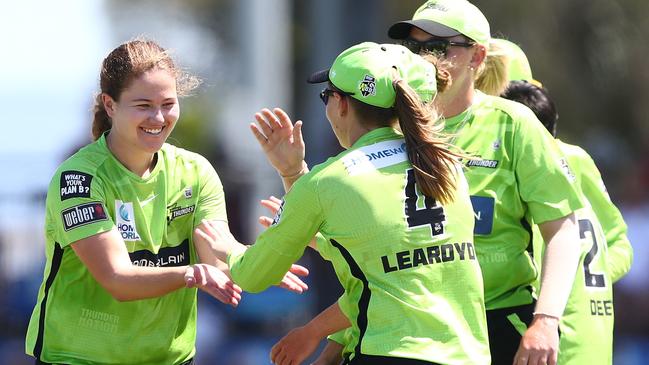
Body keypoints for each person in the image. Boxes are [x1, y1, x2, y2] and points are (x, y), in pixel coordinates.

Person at [195, 42, 491, 365]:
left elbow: (252, 276)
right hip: (468, 355)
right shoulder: (446, 166)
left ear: (342, 104)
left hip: (388, 353)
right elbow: (387, 261)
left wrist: (228, 248)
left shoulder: (329, 180)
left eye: (326, 96)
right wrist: (293, 173)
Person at [24, 38, 307, 365]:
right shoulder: (79, 179)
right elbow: (117, 279)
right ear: (111, 105)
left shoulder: (195, 172)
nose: (158, 117)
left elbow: (217, 257)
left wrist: (260, 262)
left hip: (170, 359)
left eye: (168, 103)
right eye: (143, 105)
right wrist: (191, 274)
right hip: (78, 358)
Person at [386, 1, 585, 364]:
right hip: (414, 328)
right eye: (414, 47)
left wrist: (545, 320)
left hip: (500, 320)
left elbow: (563, 229)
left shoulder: (514, 124)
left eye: (437, 47)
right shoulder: (392, 128)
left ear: (477, 57)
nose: (423, 58)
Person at [502, 80, 633, 364]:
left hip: (559, 338)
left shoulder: (559, 163)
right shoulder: (569, 158)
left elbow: (619, 243)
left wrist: (578, 283)